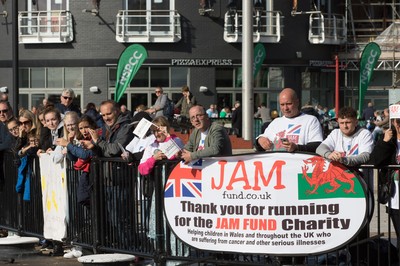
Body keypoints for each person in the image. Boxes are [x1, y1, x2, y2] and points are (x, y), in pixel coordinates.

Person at [255, 88, 323, 153]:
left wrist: (297, 148)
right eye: (282, 105)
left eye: (289, 104)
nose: (285, 108)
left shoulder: (311, 120)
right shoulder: (276, 122)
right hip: (277, 163)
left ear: (297, 102)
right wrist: (260, 141)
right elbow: (261, 143)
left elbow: (317, 146)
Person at [369, 118, 400, 240]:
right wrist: (385, 142)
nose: (398, 124)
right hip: (395, 198)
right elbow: (375, 161)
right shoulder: (388, 139)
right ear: (393, 122)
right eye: (397, 121)